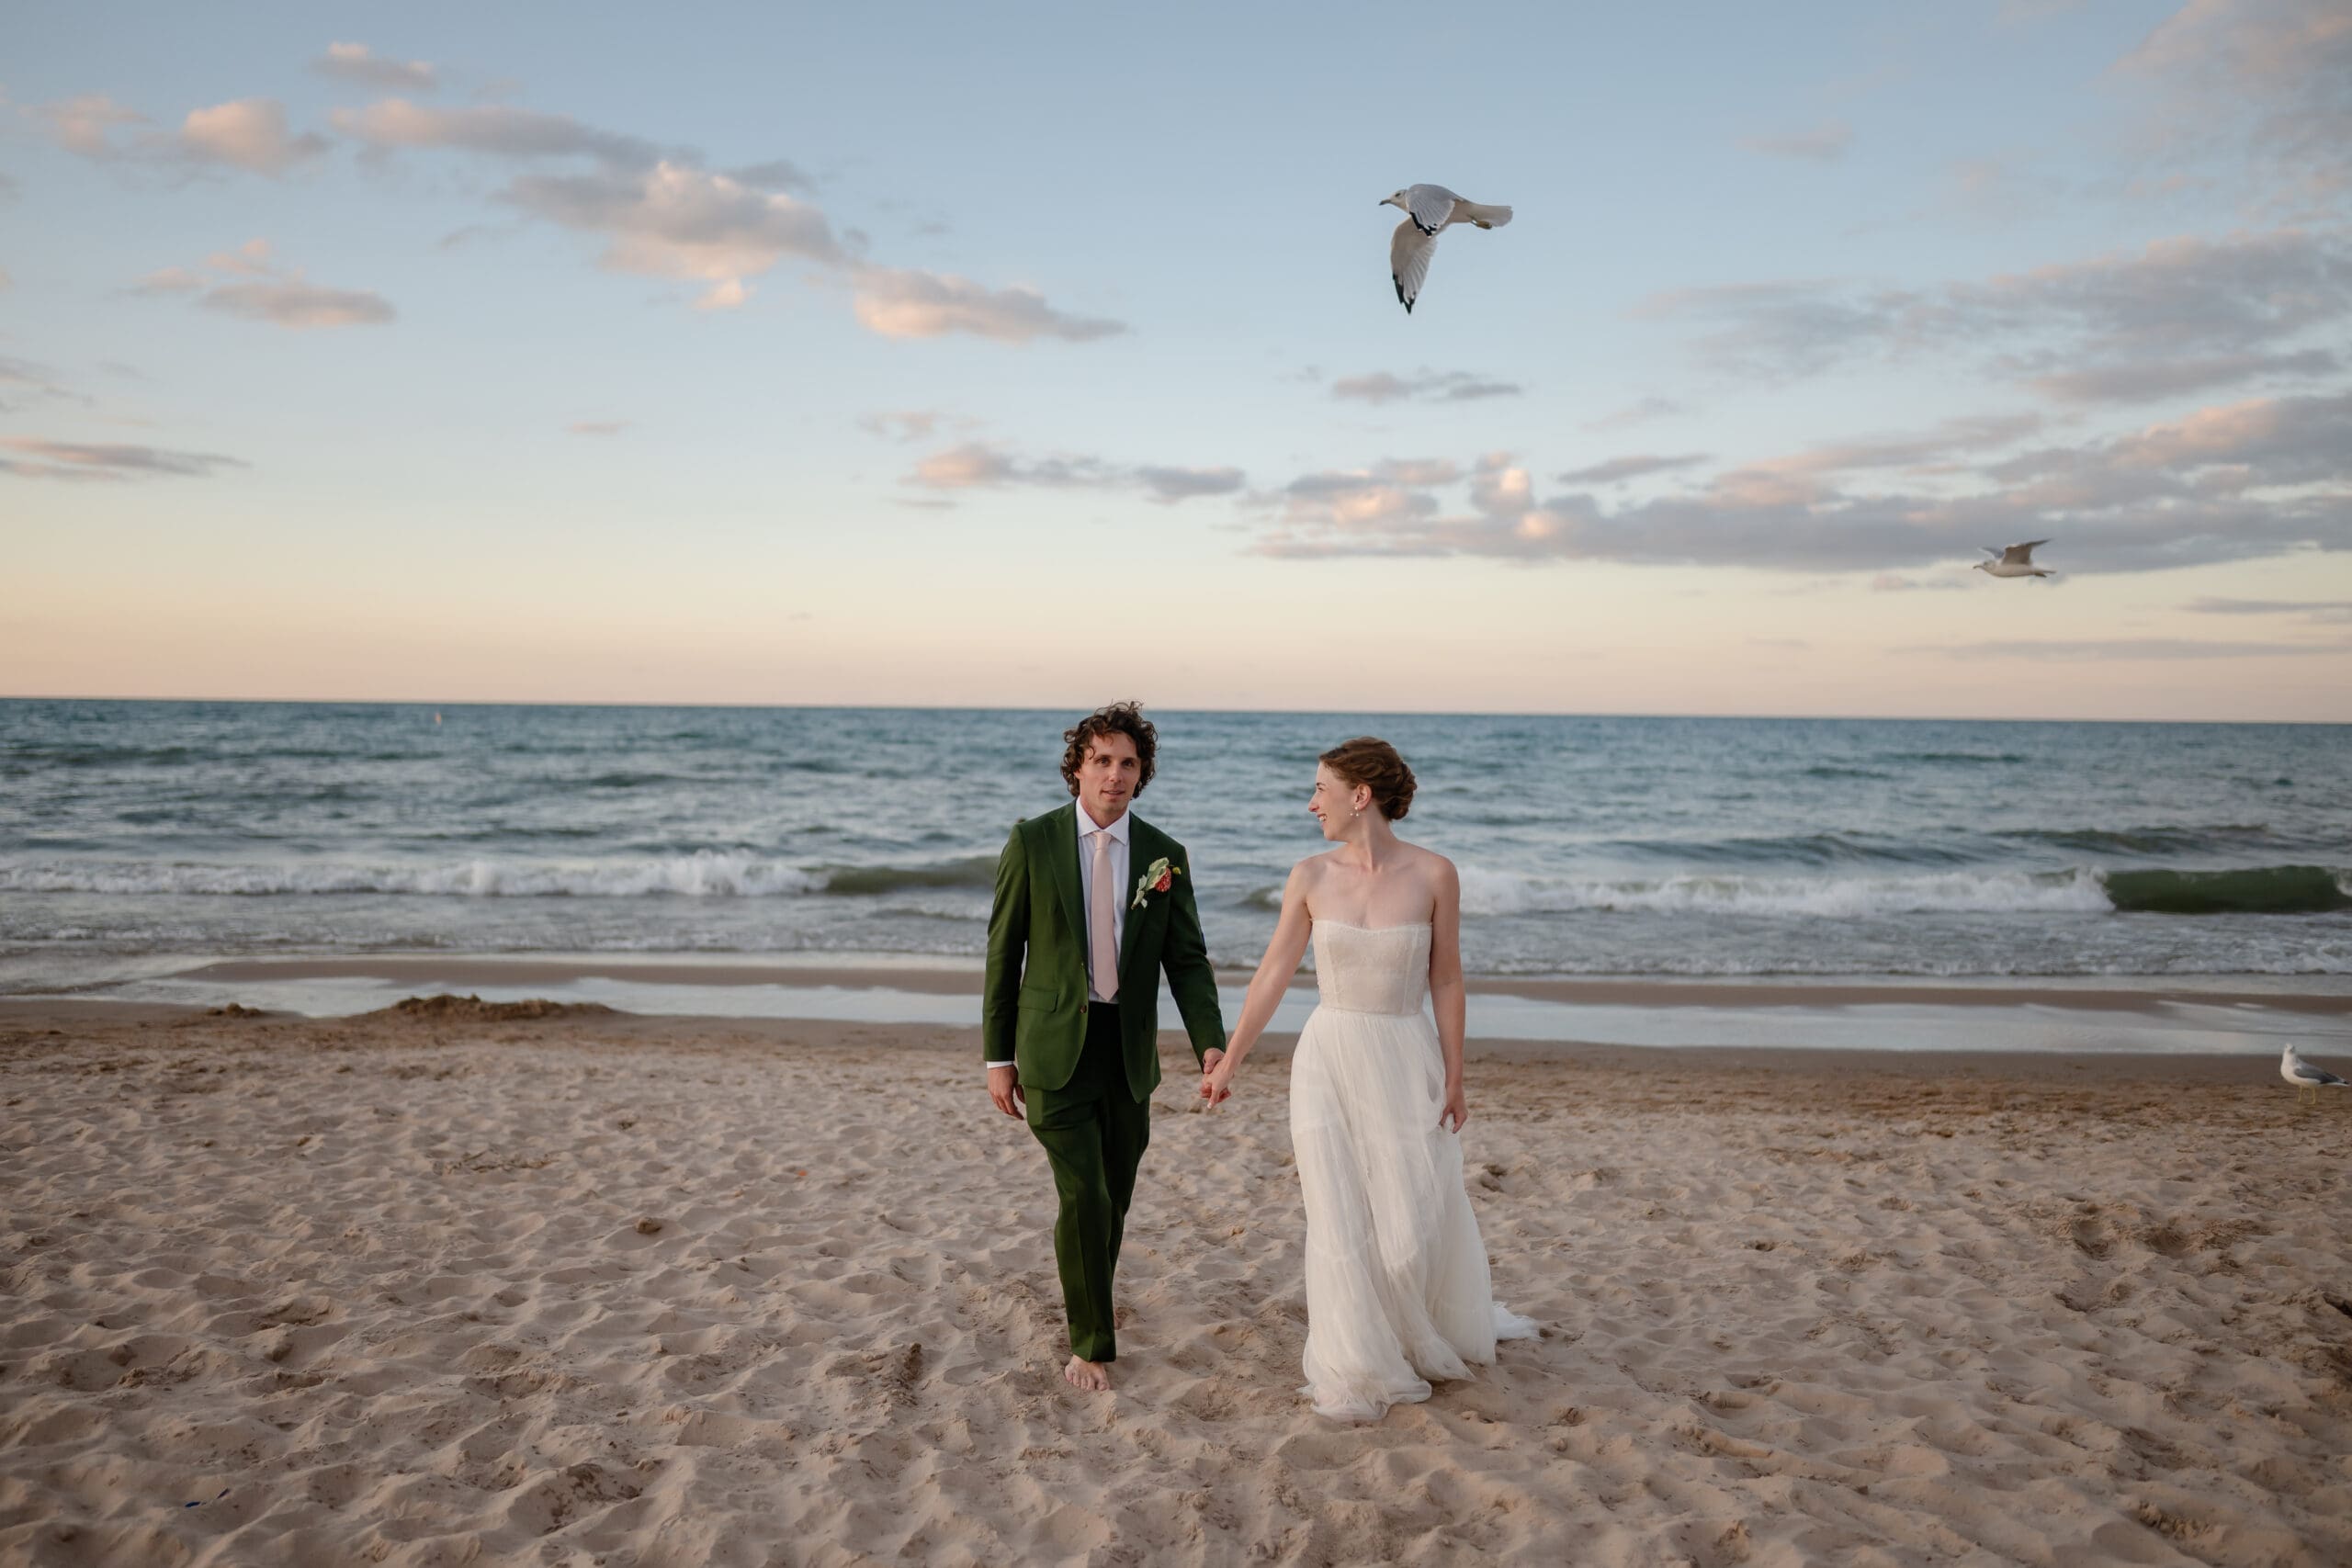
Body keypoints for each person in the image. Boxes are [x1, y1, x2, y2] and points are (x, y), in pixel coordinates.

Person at [1203, 736, 1535, 1420]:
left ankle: (1411, 1327)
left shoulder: (1435, 874)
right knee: (1337, 1215)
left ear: (1360, 796)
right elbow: (1273, 972)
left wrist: (1456, 1074)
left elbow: (1446, 977)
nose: (1310, 801)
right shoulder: (1310, 876)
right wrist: (1232, 1057)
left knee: (1409, 1223)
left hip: (1406, 1053)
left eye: (1320, 788)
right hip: (1328, 1056)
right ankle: (1353, 1359)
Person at [983, 702, 1227, 1392]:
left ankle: (1090, 1292)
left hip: (1128, 1053)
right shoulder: (1032, 842)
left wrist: (1210, 1044)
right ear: (1078, 769)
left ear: (1141, 772)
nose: (1114, 775)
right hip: (1053, 1048)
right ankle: (1090, 1341)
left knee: (1113, 1195)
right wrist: (997, 1057)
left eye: (1127, 762)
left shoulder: (1162, 856)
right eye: (1102, 760)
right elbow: (1004, 953)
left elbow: (1188, 960)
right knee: (1085, 1190)